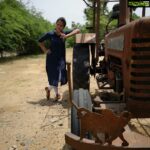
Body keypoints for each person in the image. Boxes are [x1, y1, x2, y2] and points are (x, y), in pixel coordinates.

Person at [38, 17, 80, 100]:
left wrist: (66, 36)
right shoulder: (50, 34)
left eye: (61, 25)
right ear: (55, 24)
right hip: (51, 59)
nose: (59, 27)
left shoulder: (64, 33)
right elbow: (40, 41)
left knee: (59, 76)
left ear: (63, 27)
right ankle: (57, 94)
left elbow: (78, 30)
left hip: (61, 59)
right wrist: (45, 50)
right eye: (58, 24)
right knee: (55, 77)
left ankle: (48, 89)